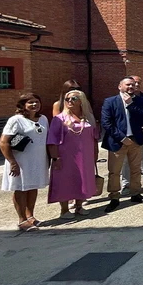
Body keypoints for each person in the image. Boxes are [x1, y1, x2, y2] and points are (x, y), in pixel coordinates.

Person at [0, 93, 49, 231]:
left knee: (33, 187)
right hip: (20, 161)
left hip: (37, 160)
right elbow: (3, 142)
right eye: (30, 102)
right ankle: (22, 220)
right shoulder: (16, 120)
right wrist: (12, 162)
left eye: (37, 102)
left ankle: (30, 216)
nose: (34, 105)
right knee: (20, 188)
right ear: (23, 105)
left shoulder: (43, 119)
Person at [47, 90, 99, 219]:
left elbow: (94, 138)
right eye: (67, 99)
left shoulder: (88, 117)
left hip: (85, 155)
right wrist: (55, 157)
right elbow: (52, 140)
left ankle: (79, 206)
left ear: (81, 101)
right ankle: (64, 210)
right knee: (65, 180)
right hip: (65, 156)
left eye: (73, 99)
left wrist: (95, 154)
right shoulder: (59, 119)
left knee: (83, 179)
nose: (69, 101)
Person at [101, 76, 143, 212]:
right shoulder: (110, 101)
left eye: (133, 85)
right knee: (114, 172)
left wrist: (131, 105)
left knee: (135, 170)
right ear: (120, 86)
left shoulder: (139, 101)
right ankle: (114, 198)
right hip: (118, 141)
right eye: (128, 84)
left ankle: (135, 194)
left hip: (136, 140)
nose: (131, 87)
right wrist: (122, 138)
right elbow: (106, 123)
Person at [120, 75, 143, 193]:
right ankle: (126, 184)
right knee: (126, 160)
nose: (136, 85)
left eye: (139, 82)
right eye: (133, 82)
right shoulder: (124, 98)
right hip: (129, 134)